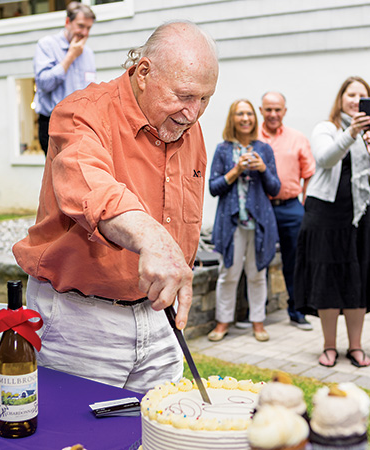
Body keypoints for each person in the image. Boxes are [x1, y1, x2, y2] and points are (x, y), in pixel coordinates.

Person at [12, 21, 219, 393]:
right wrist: (152, 237)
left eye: (205, 99)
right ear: (143, 73)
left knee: (162, 435)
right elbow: (92, 189)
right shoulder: (81, 113)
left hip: (159, 318)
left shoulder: (186, 126)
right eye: (185, 96)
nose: (194, 113)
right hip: (79, 320)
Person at [294, 76, 370, 368]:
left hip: (365, 212)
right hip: (327, 213)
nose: (355, 100)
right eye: (350, 94)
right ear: (340, 98)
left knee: (359, 277)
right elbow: (325, 159)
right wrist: (350, 134)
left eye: (362, 95)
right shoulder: (326, 128)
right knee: (328, 277)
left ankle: (355, 346)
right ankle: (329, 346)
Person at [207, 99, 281, 342]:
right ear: (233, 118)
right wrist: (236, 170)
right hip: (231, 223)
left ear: (254, 118)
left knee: (257, 273)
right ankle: (222, 323)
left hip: (259, 223)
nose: (246, 118)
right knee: (229, 273)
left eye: (249, 113)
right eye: (240, 113)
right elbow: (213, 188)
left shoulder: (265, 149)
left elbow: (275, 188)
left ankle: (258, 323)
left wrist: (262, 169)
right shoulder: (223, 150)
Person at [258, 91, 316, 330]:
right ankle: (256, 314)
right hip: (261, 207)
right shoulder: (251, 137)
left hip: (292, 207)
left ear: (285, 111)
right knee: (257, 260)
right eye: (268, 109)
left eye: (277, 109)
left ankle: (297, 311)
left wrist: (303, 203)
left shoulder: (297, 138)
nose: (273, 114)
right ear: (261, 110)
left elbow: (309, 172)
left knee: (295, 261)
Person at [33, 2, 96, 155]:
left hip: (80, 124)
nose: (85, 33)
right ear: (68, 22)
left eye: (88, 28)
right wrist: (70, 57)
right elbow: (43, 83)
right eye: (81, 26)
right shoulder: (46, 45)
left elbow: (91, 91)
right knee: (58, 175)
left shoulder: (88, 53)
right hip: (53, 124)